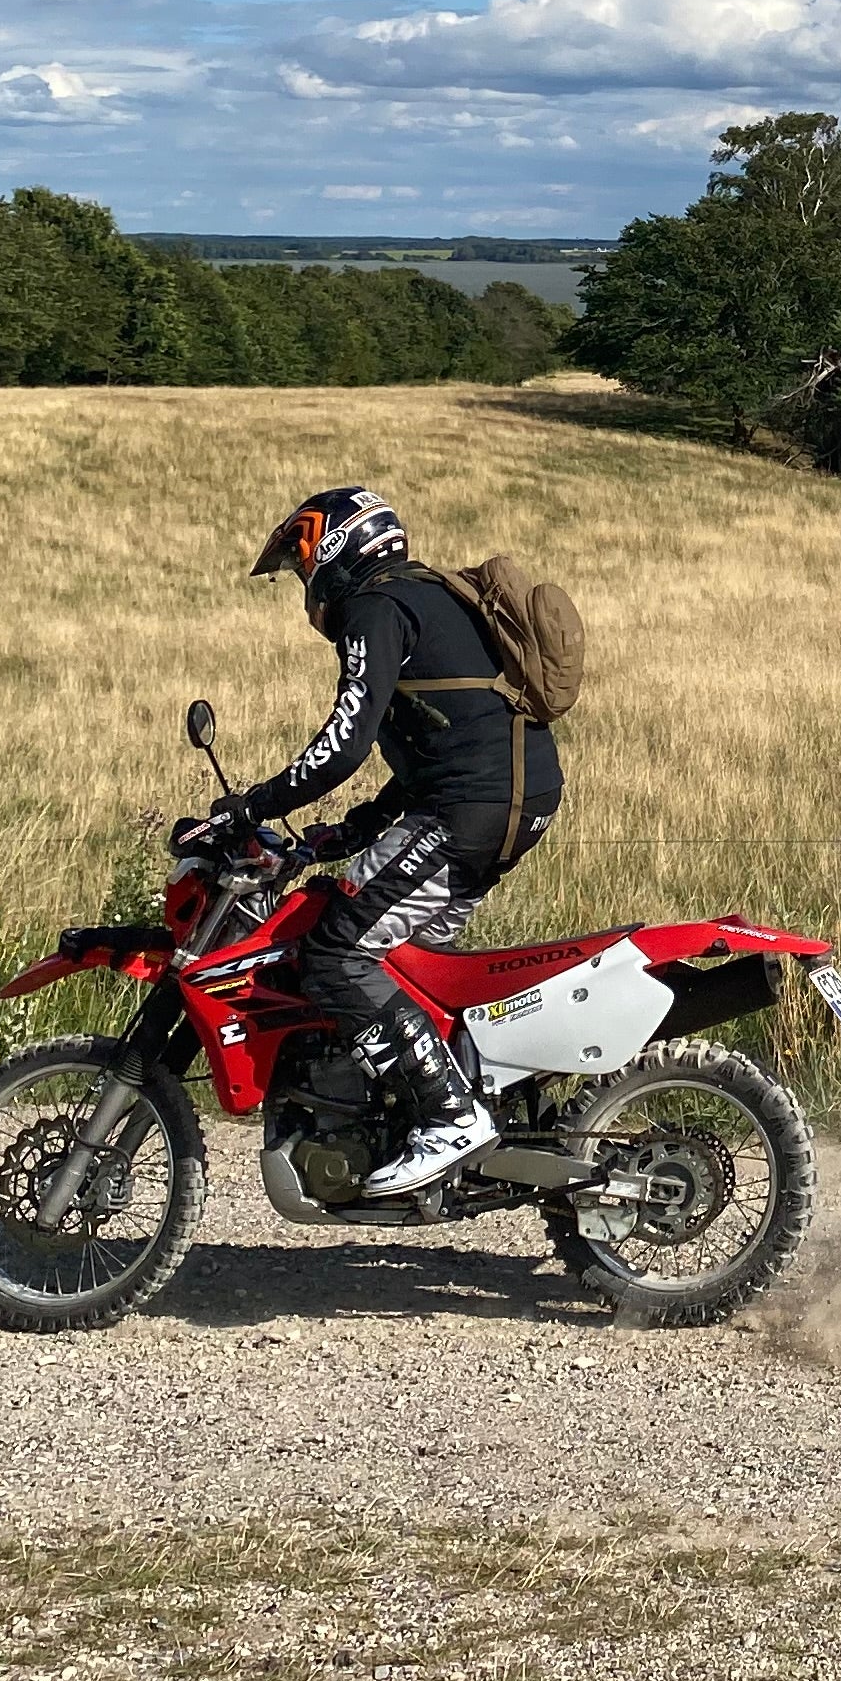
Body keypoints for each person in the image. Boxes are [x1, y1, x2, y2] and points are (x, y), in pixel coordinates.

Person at [235, 485, 565, 1195]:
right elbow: (438, 749)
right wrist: (343, 835)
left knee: (334, 953)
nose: (305, 590)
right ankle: (431, 1110)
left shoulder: (374, 608)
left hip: (471, 808)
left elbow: (345, 745)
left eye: (301, 568)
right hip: (504, 797)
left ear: (333, 550)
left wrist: (251, 806)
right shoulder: (421, 595)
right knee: (404, 965)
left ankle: (450, 1116)